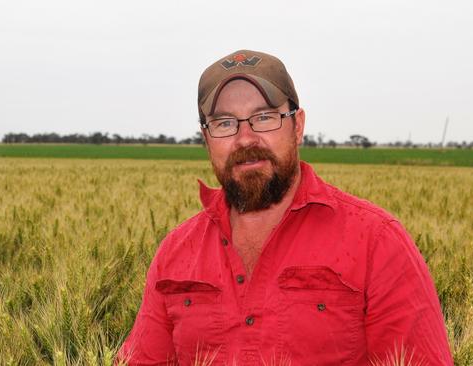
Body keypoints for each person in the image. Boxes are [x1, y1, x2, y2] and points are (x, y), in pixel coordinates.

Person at [117, 50, 452, 365]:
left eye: (264, 118)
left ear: (298, 126)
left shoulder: (377, 241)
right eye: (224, 123)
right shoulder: (176, 252)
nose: (245, 138)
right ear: (206, 139)